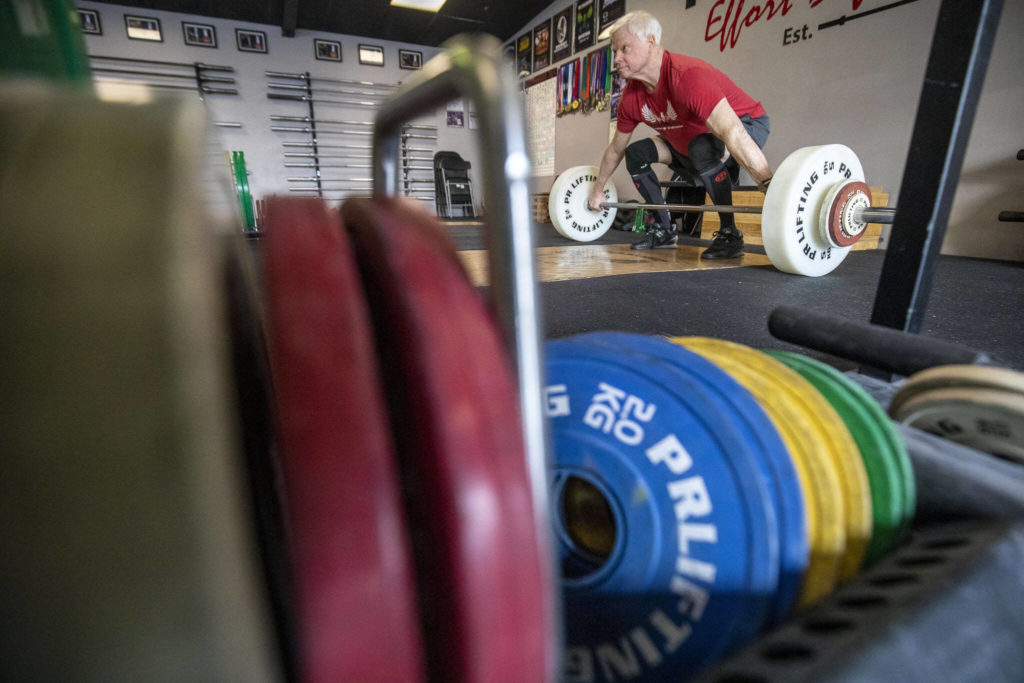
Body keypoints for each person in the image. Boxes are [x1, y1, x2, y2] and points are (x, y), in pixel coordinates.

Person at [587, 11, 773, 257]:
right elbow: (615, 149)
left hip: (746, 124)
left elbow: (733, 132)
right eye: (614, 52)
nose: (617, 59)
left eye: (624, 48)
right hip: (690, 138)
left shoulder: (687, 77)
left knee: (702, 148)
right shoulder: (631, 98)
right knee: (636, 153)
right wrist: (598, 190)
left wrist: (769, 187)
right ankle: (665, 229)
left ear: (651, 42)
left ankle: (730, 234)